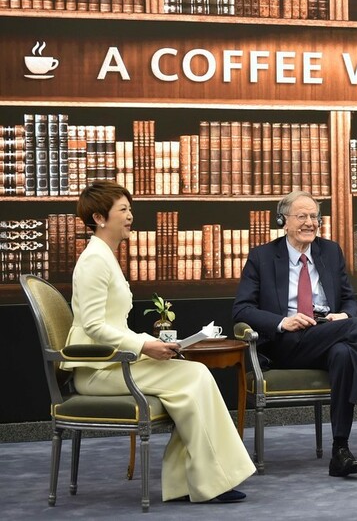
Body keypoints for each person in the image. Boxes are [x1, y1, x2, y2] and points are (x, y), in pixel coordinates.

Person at [63, 180, 255, 503]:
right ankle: (206, 482)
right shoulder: (94, 260)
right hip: (98, 369)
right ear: (99, 218)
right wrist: (144, 346)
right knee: (195, 375)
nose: (130, 216)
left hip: (115, 361)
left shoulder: (104, 256)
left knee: (193, 380)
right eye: (123, 210)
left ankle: (190, 483)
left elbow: (111, 325)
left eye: (130, 209)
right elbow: (95, 326)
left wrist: (146, 343)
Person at [232, 190, 357, 477]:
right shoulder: (262, 257)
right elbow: (241, 310)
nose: (310, 223)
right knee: (355, 328)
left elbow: (349, 300)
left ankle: (340, 452)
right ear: (283, 220)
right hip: (285, 343)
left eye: (314, 217)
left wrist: (344, 314)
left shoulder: (330, 251)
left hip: (326, 335)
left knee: (344, 352)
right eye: (302, 216)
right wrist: (282, 322)